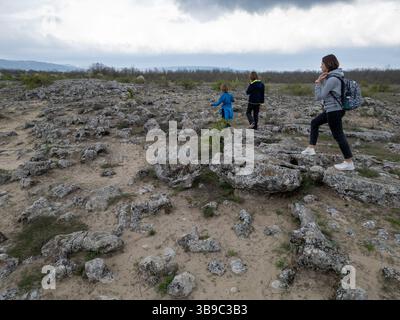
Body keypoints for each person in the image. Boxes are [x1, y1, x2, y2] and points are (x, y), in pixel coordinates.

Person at [301, 54, 355, 171]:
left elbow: (319, 97)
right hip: (333, 109)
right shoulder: (335, 76)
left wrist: (318, 82)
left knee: (338, 135)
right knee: (314, 122)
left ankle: (349, 162)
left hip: (334, 111)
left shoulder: (332, 79)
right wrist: (322, 80)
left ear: (328, 64)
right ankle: (311, 148)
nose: (320, 66)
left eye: (322, 64)